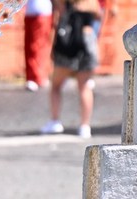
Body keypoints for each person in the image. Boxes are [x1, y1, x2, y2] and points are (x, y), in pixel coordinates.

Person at [40, 0, 101, 138]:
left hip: (68, 39)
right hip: (87, 40)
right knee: (84, 86)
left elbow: (57, 15)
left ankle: (55, 121)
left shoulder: (63, 2)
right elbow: (98, 16)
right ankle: (85, 126)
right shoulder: (91, 2)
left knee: (56, 85)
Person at [23, 0, 54, 91]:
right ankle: (36, 76)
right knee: (30, 46)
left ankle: (37, 77)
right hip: (31, 13)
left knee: (37, 46)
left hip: (41, 13)